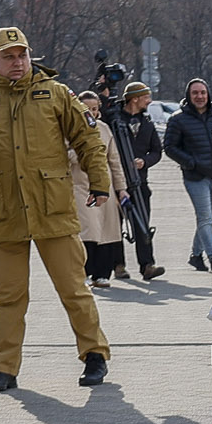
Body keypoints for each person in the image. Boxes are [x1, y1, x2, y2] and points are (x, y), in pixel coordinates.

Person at [0, 26, 113, 392]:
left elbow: (87, 138)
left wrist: (99, 183)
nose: (17, 63)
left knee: (74, 288)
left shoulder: (56, 94)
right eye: (8, 56)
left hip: (53, 209)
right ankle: (3, 368)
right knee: (8, 296)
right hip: (3, 211)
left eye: (22, 55)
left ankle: (95, 355)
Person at [161, 77, 212, 273]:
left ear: (208, 94)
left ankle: (196, 255)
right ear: (188, 96)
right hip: (195, 177)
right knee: (205, 217)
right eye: (195, 93)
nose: (199, 97)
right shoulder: (178, 119)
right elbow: (170, 147)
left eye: (202, 93)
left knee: (210, 218)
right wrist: (190, 162)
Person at [108, 81, 166, 281]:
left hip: (140, 182)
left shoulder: (147, 122)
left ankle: (147, 265)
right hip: (116, 181)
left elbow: (157, 151)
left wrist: (145, 161)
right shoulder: (114, 120)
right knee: (115, 225)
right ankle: (118, 265)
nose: (149, 101)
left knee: (142, 222)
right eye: (146, 97)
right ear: (134, 99)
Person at [72, 91, 126, 288]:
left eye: (94, 109)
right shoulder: (69, 130)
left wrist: (121, 189)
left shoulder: (104, 129)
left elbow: (114, 161)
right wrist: (83, 154)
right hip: (80, 187)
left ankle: (103, 274)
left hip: (106, 187)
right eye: (87, 109)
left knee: (108, 232)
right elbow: (64, 157)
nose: (91, 113)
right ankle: (85, 272)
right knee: (88, 231)